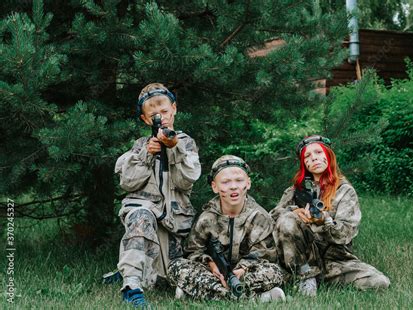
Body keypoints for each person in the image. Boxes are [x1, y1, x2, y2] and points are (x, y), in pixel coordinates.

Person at [114, 83, 201, 306]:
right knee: (140, 215)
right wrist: (146, 154)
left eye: (164, 111)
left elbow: (186, 179)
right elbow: (127, 182)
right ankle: (132, 287)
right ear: (145, 119)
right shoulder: (140, 145)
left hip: (175, 225)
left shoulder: (186, 143)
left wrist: (174, 147)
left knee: (169, 278)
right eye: (153, 115)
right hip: (147, 217)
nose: (160, 117)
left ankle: (138, 272)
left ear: (174, 109)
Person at [270, 135, 390, 296]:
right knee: (287, 220)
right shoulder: (296, 190)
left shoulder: (344, 190)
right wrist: (294, 212)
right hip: (303, 258)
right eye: (307, 156)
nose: (314, 158)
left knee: (379, 282)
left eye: (318, 152)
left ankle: (316, 279)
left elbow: (345, 233)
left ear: (328, 155)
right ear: (304, 163)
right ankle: (305, 276)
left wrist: (324, 220)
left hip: (335, 260)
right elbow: (273, 216)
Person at [168, 155, 285, 302]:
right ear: (214, 186)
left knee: (274, 272)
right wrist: (211, 265)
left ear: (248, 183)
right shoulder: (206, 218)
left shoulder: (259, 217)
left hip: (246, 274)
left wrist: (242, 269)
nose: (233, 186)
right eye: (225, 182)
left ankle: (202, 293)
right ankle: (257, 297)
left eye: (239, 180)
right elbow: (193, 252)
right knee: (176, 267)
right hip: (214, 274)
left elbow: (265, 255)